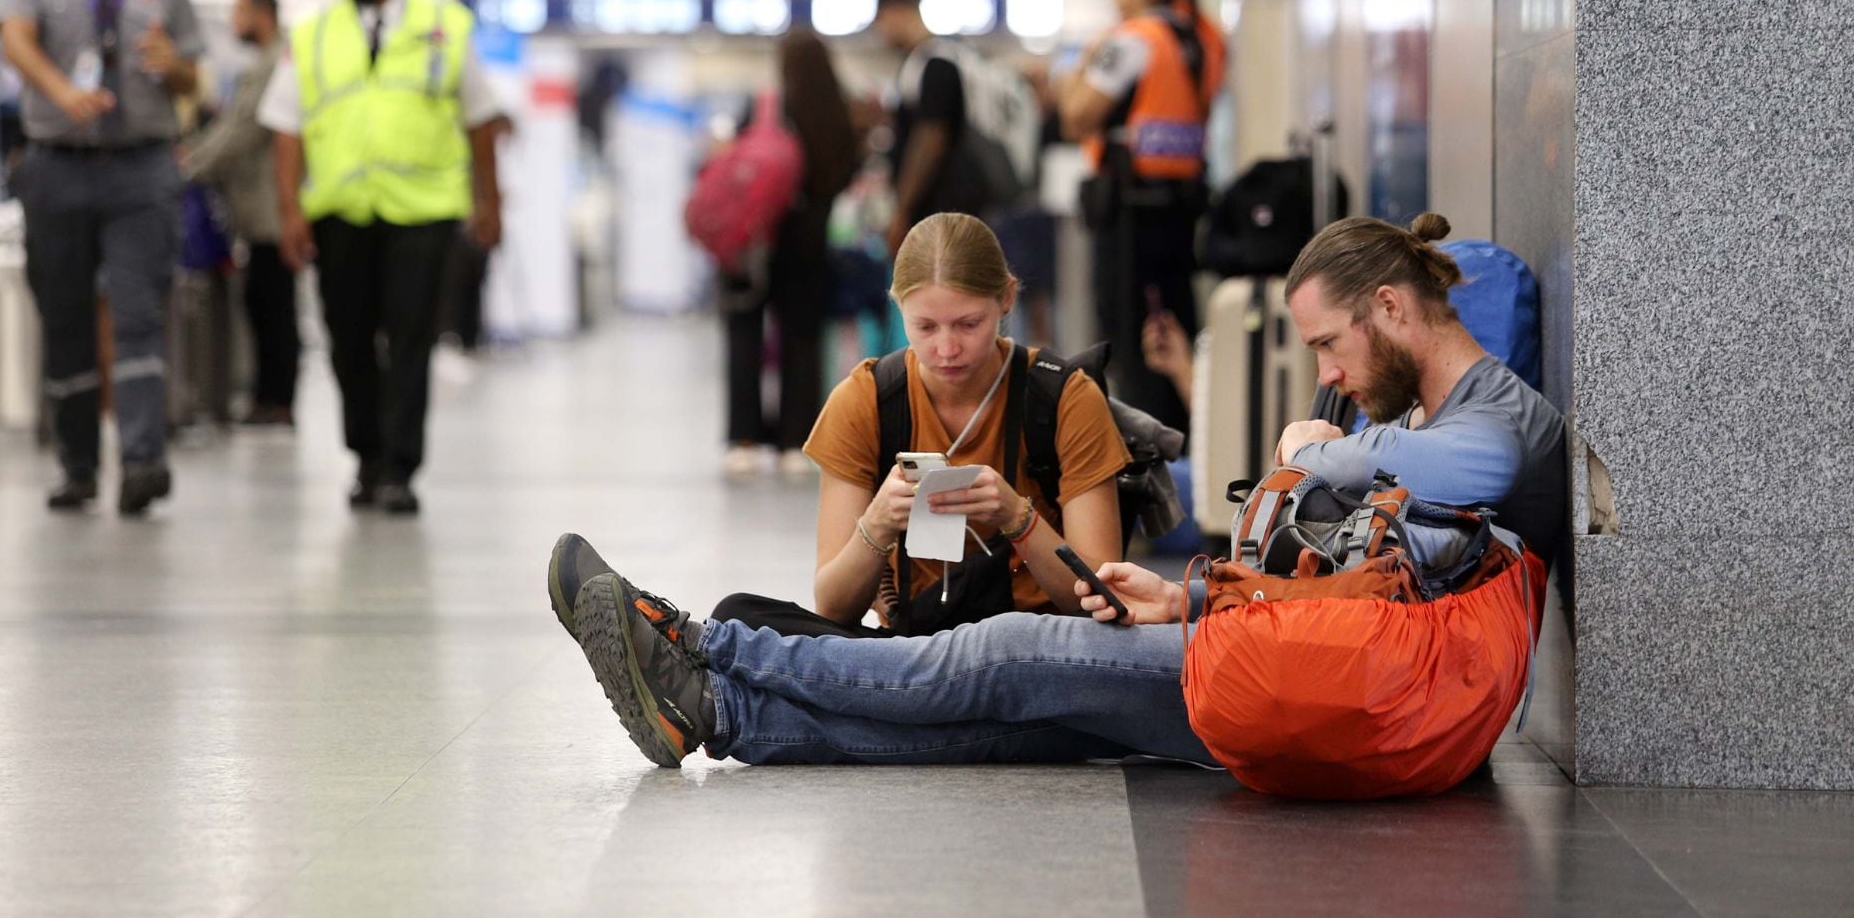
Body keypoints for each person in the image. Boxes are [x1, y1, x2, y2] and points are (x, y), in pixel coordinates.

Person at [548, 213, 1565, 768]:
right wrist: (1190, 595)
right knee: (1009, 717)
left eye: (1331, 346)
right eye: (926, 326)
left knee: (1008, 652)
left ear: (1390, 306)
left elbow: (1485, 470)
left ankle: (695, 645)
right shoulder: (871, 398)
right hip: (1315, 662)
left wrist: (1325, 454)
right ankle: (716, 707)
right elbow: (1343, 586)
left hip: (1366, 689)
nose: (1331, 375)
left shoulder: (1497, 414)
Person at [706, 211, 1131, 638]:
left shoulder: (1065, 397)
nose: (947, 348)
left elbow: (1097, 599)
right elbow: (834, 609)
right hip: (913, 650)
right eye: (925, 326)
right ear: (898, 306)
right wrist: (877, 523)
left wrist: (1017, 517)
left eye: (969, 324)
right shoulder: (865, 399)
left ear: (1006, 299)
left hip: (1035, 647)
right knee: (737, 616)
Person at [260, 0, 504, 515]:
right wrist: (289, 211)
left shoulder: (445, 27)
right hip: (341, 212)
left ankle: (399, 467)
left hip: (422, 212)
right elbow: (286, 129)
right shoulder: (314, 31)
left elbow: (480, 120)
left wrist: (489, 201)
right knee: (348, 340)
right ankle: (365, 455)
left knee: (411, 339)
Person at [0, 0, 204, 516]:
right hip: (56, 162)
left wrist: (175, 65)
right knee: (65, 319)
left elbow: (192, 78)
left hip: (140, 166)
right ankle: (78, 465)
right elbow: (16, 39)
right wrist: (62, 92)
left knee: (141, 313)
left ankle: (143, 461)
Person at [1057, 0, 1224, 435]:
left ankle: (1143, 452)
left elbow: (1076, 116)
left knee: (1131, 345)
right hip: (1181, 210)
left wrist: (1084, 62)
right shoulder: (1207, 38)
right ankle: (1189, 439)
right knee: (1175, 332)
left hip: (1129, 218)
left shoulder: (1131, 41)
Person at [722, 28, 861, 480]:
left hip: (757, 241)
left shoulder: (766, 107)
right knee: (802, 341)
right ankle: (794, 443)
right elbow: (847, 172)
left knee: (746, 336)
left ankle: (743, 441)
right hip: (811, 242)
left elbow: (737, 166)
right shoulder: (839, 114)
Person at [181, 0, 298, 427]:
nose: (233, 24)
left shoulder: (275, 64)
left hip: (272, 208)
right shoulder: (266, 63)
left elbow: (243, 128)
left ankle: (278, 401)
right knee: (262, 302)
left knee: (273, 305)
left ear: (261, 14)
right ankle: (269, 396)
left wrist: (192, 162)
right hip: (258, 208)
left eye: (239, 12)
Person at [874, 0, 982, 254]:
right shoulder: (927, 61)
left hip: (942, 209)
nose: (880, 32)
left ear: (898, 12)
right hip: (943, 208)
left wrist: (902, 209)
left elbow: (932, 138)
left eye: (881, 21)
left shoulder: (935, 62)